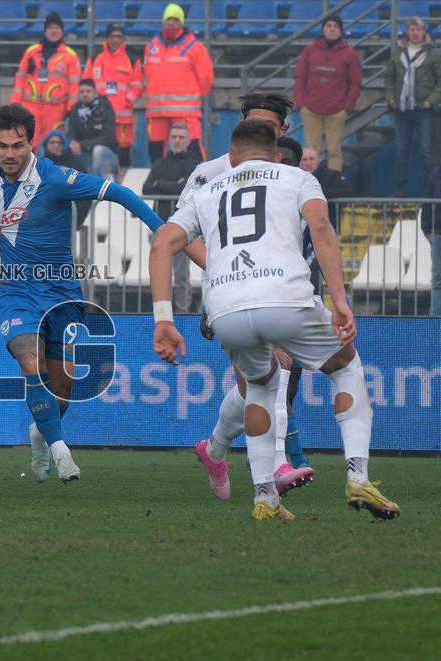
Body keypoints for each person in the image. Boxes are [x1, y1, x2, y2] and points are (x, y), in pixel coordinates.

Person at [150, 118, 400, 522]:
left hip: (226, 308)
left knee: (261, 389)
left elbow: (162, 242)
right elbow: (320, 227)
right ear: (275, 154)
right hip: (285, 298)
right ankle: (357, 475)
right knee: (345, 366)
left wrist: (163, 318)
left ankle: (264, 496)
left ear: (231, 158)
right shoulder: (296, 178)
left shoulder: (207, 190)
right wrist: (339, 299)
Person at [0, 104, 166, 484]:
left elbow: (119, 192)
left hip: (63, 295)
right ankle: (60, 450)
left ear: (30, 142)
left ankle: (42, 433)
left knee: (64, 387)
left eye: (17, 146)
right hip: (16, 292)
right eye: (2, 146)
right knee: (29, 362)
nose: (9, 154)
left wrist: (162, 228)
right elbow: (3, 223)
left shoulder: (56, 179)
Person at [176, 92, 315, 493]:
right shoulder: (209, 173)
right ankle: (277, 466)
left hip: (276, 290)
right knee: (276, 368)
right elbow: (182, 235)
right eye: (254, 122)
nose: (262, 131)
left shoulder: (289, 177)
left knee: (255, 384)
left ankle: (215, 449)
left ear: (282, 131)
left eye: (270, 126)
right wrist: (221, 273)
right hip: (228, 292)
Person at [142, 4, 214, 162]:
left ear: (182, 23)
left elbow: (206, 78)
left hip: (185, 113)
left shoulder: (195, 47)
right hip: (157, 113)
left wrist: (192, 98)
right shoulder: (151, 46)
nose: (172, 22)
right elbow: (147, 74)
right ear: (163, 21)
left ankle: (199, 184)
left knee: (192, 150)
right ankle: (158, 184)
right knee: (155, 153)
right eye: (169, 19)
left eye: (176, 19)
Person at [143, 123, 200, 313]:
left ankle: (182, 312)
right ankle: (161, 313)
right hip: (158, 225)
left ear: (188, 140)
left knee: (181, 275)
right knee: (160, 273)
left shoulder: (193, 165)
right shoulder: (159, 163)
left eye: (181, 137)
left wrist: (159, 184)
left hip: (182, 228)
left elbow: (183, 190)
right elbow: (146, 188)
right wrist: (170, 185)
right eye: (174, 136)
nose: (177, 140)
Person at [294, 14, 361, 173]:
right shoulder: (310, 50)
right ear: (323, 30)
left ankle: (333, 183)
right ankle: (310, 184)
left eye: (335, 26)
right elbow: (300, 77)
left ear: (341, 30)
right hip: (311, 109)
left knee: (334, 151)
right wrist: (300, 103)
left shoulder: (349, 54)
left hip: (336, 111)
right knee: (311, 151)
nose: (332, 29)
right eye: (328, 26)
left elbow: (355, 83)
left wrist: (347, 107)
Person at [385, 17, 441, 197]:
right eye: (412, 29)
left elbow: (440, 81)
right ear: (407, 32)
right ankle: (399, 190)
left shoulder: (434, 53)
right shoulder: (397, 52)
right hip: (402, 110)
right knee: (402, 151)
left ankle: (429, 191)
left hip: (424, 110)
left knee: (426, 151)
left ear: (424, 32)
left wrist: (431, 100)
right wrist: (390, 98)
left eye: (418, 29)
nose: (415, 33)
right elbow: (389, 79)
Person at [10, 12, 81, 148]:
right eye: (50, 28)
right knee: (27, 144)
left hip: (56, 109)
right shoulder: (31, 52)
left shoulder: (70, 55)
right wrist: (15, 102)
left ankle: (50, 170)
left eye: (57, 28)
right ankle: (27, 170)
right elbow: (20, 78)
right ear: (44, 30)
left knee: (54, 146)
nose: (54, 31)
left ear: (62, 31)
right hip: (30, 106)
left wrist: (71, 107)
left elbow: (74, 84)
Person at [84, 24, 142, 170]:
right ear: (106, 39)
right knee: (98, 153)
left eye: (119, 36)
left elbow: (138, 85)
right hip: (99, 118)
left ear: (124, 39)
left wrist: (127, 100)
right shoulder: (95, 58)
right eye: (112, 36)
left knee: (123, 154)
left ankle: (122, 188)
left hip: (122, 118)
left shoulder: (132, 59)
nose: (116, 39)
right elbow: (86, 82)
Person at [65, 78, 119, 180]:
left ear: (95, 92)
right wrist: (73, 144)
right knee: (67, 150)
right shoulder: (75, 109)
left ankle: (101, 186)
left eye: (88, 91)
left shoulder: (105, 107)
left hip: (107, 155)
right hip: (84, 154)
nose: (85, 94)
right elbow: (70, 132)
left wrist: (82, 145)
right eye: (81, 92)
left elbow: (108, 138)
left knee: (98, 151)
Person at [42, 129, 92, 225]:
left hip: (68, 222)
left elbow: (86, 195)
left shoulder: (76, 167)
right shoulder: (39, 166)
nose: (56, 145)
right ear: (46, 145)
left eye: (59, 143)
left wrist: (76, 224)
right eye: (52, 142)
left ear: (64, 145)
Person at [419, 164, 441, 316]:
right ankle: (435, 321)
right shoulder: (437, 172)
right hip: (439, 234)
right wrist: (427, 230)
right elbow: (427, 202)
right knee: (438, 280)